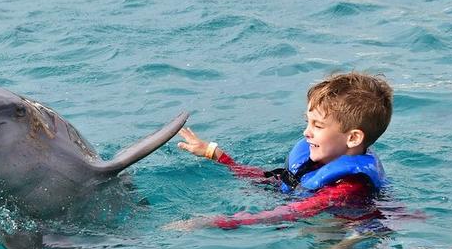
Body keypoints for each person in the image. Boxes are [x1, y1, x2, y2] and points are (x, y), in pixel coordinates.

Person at [164, 72, 393, 231]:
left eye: (318, 126)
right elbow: (275, 181)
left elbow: (287, 213)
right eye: (308, 122)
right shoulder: (319, 163)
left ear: (353, 138)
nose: (306, 133)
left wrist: (216, 223)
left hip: (354, 229)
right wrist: (216, 155)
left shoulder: (347, 188)